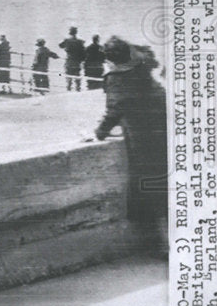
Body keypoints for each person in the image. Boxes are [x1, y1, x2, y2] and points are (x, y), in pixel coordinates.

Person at [93, 37, 168, 255]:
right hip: (162, 129)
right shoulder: (142, 68)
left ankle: (164, 245)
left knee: (150, 187)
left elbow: (115, 109)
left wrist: (99, 133)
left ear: (109, 59)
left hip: (142, 137)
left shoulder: (116, 77)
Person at [58, 26, 86, 91]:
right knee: (77, 81)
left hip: (69, 62)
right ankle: (78, 92)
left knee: (69, 80)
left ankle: (68, 92)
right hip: (77, 62)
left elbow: (60, 45)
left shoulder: (67, 40)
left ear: (69, 32)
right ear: (76, 33)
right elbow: (83, 52)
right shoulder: (80, 41)